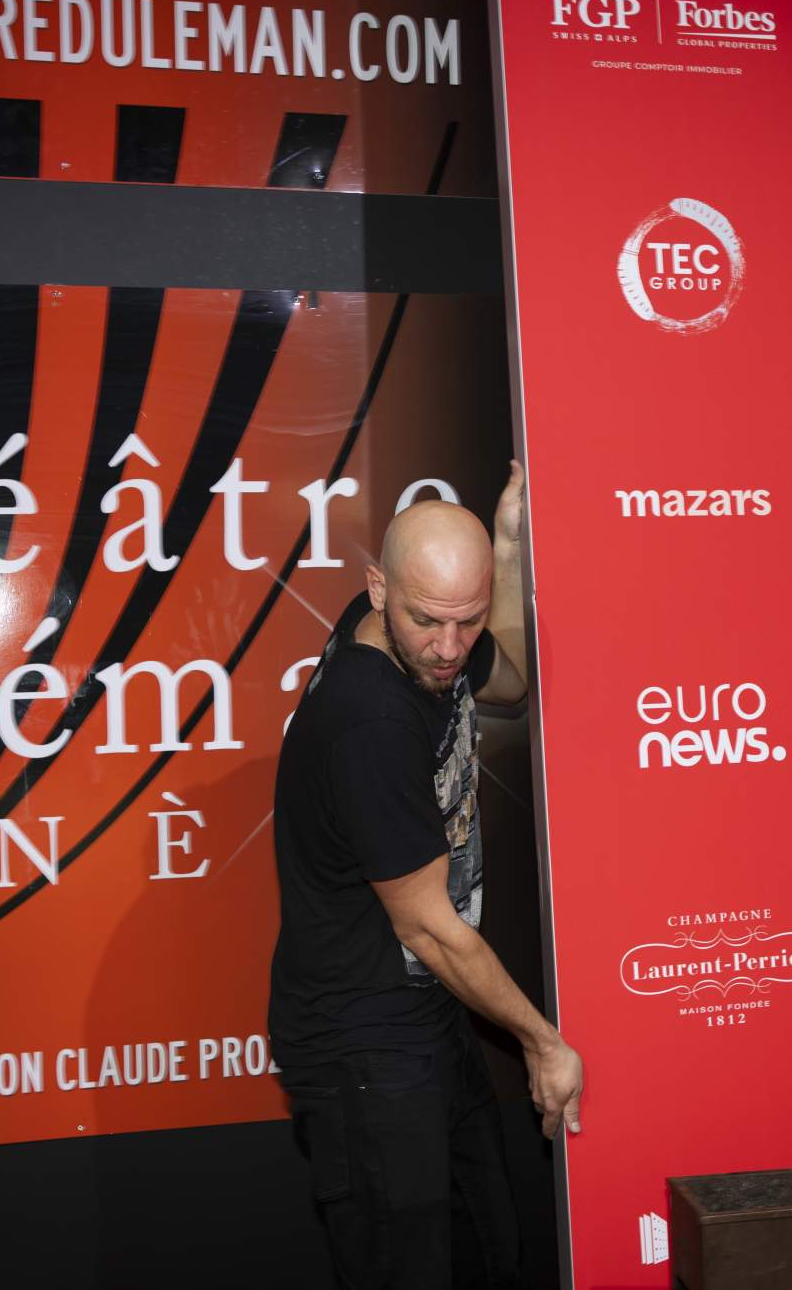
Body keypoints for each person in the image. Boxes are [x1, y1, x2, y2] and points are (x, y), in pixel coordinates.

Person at [269, 460, 584, 1289]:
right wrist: (543, 1041)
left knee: (491, 1250)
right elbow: (430, 927)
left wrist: (506, 546)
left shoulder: (426, 639)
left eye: (467, 621)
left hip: (424, 1011)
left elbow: (511, 681)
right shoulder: (368, 720)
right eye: (429, 622)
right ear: (377, 590)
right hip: (362, 1037)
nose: (449, 649)